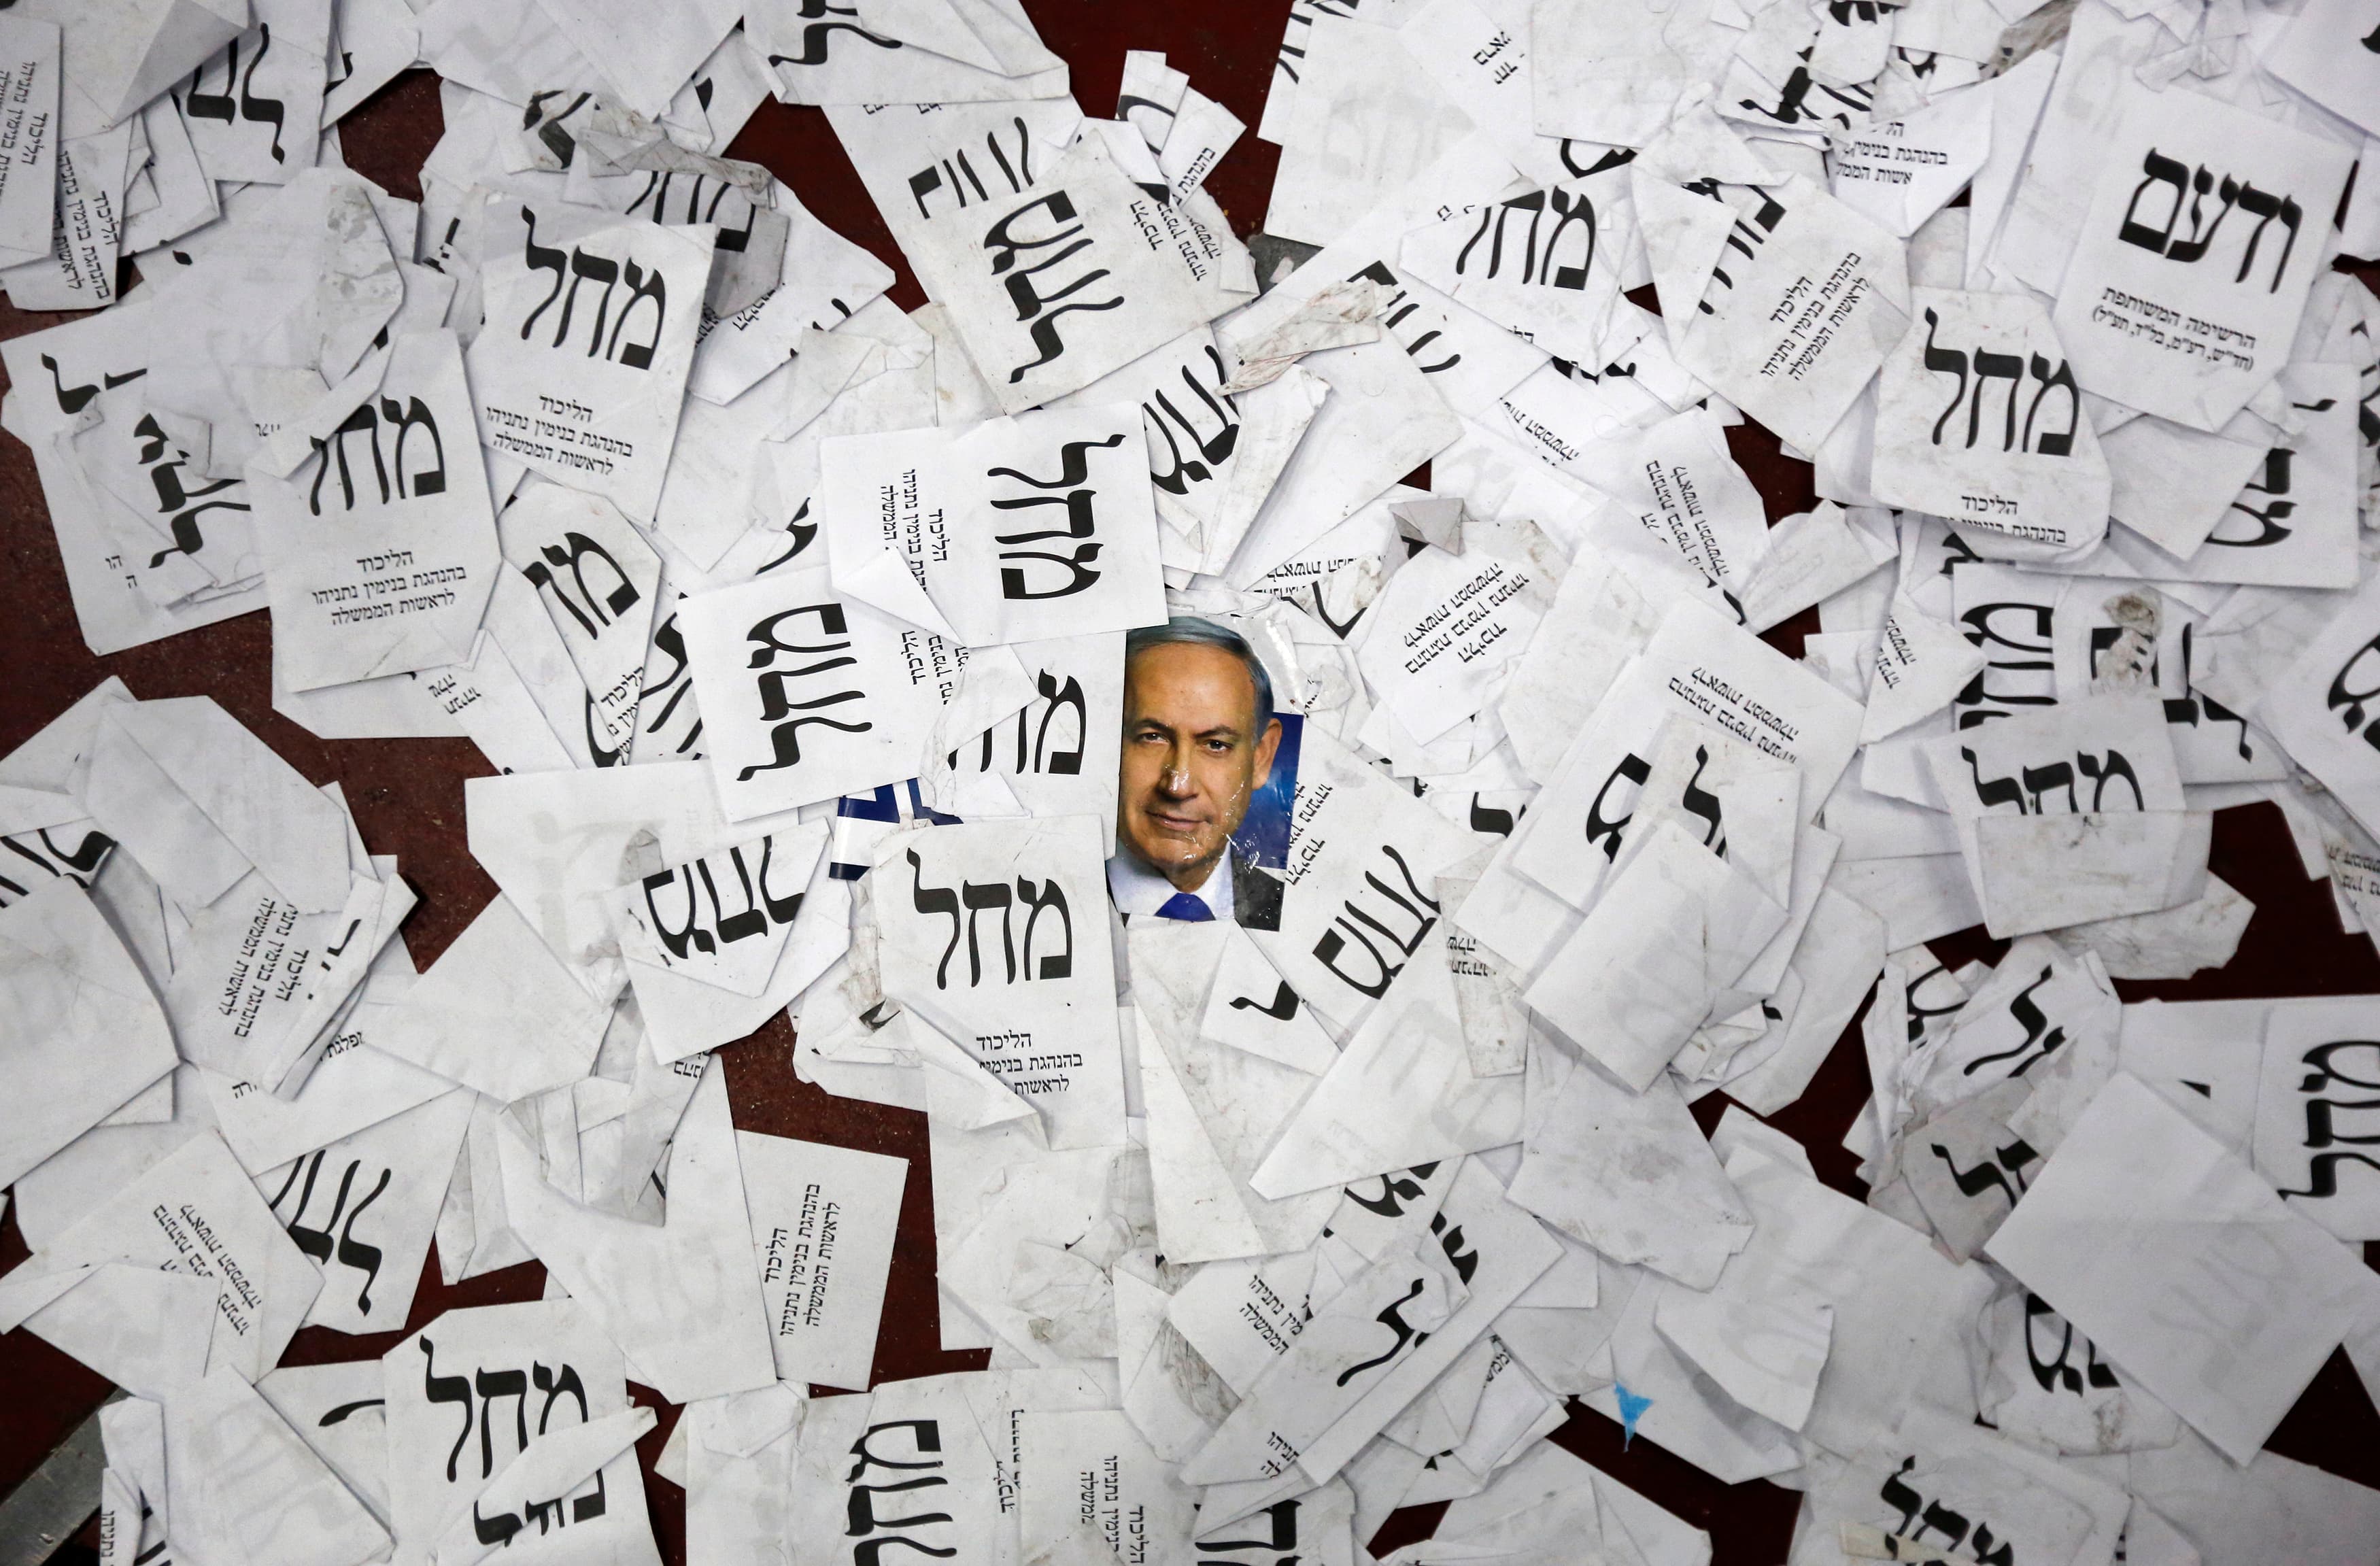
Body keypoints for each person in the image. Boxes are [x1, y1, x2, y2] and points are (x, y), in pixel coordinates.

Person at [1108, 617, 1285, 929]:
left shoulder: (1297, 913)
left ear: (1261, 757)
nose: (1178, 785)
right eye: (1152, 737)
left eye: (1216, 745)